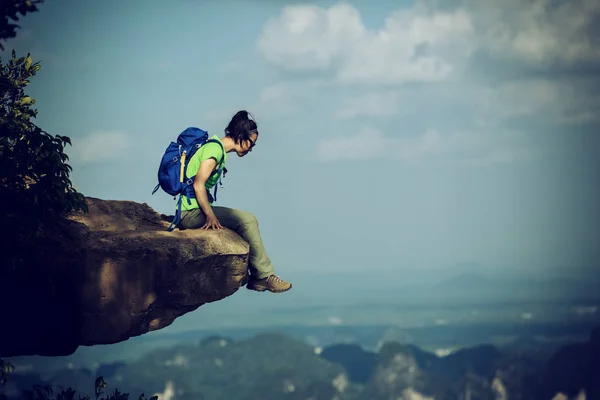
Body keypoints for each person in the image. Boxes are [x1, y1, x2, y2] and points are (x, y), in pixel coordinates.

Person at [178, 110, 292, 293]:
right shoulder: (214, 150)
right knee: (247, 220)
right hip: (191, 214)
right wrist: (210, 217)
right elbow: (199, 185)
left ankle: (258, 276)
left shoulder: (215, 149)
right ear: (240, 136)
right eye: (251, 143)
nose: (251, 148)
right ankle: (263, 277)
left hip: (192, 211)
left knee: (244, 220)